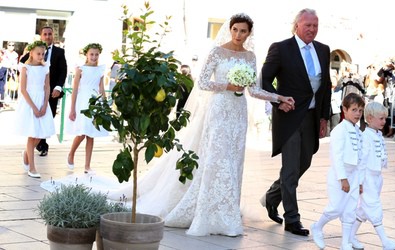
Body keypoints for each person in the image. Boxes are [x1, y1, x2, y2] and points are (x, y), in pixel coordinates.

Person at [41, 13, 294, 238]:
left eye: (243, 31)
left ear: (249, 34)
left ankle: (226, 215)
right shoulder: (217, 52)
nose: (238, 35)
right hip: (218, 112)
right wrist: (228, 86)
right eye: (235, 29)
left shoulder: (250, 56)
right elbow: (204, 82)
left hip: (237, 116)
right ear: (230, 30)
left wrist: (279, 97)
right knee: (214, 159)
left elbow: (254, 89)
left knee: (233, 162)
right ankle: (204, 214)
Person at [260, 8, 331, 236]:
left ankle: (271, 197)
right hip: (289, 118)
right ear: (297, 26)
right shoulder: (281, 48)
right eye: (308, 25)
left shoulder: (323, 50)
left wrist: (323, 117)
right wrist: (277, 100)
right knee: (290, 170)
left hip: (311, 117)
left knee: (304, 163)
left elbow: (326, 85)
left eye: (315, 25)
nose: (312, 29)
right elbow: (264, 82)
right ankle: (292, 219)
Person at [311, 93, 364, 250]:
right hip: (339, 175)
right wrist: (343, 178)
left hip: (354, 175)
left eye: (360, 110)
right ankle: (317, 226)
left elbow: (360, 160)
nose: (357, 114)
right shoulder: (339, 131)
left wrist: (359, 181)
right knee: (336, 207)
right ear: (344, 110)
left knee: (350, 210)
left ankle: (345, 243)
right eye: (354, 110)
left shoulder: (358, 131)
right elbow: (337, 157)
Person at [349, 101, 395, 250]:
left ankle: (349, 237)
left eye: (385, 119)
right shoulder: (366, 137)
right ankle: (385, 242)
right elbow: (362, 161)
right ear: (370, 118)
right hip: (367, 178)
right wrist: (360, 181)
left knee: (364, 209)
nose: (384, 122)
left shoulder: (377, 134)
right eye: (381, 118)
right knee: (373, 207)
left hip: (376, 177)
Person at [20, 26, 68, 157]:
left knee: (47, 118)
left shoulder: (59, 52)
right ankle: (41, 146)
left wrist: (58, 87)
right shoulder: (35, 51)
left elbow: (63, 70)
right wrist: (32, 51)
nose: (47, 36)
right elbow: (23, 61)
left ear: (53, 36)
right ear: (41, 36)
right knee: (37, 121)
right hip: (34, 93)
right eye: (45, 34)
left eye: (50, 34)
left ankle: (34, 147)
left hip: (51, 92)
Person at [66, 43, 108, 175]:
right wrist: (72, 109)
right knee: (82, 133)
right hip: (83, 102)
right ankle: (71, 154)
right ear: (86, 55)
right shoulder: (80, 69)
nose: (94, 57)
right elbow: (75, 89)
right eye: (91, 54)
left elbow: (101, 89)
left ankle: (87, 165)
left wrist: (105, 105)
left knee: (91, 134)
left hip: (95, 102)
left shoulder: (100, 70)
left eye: (96, 54)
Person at [15, 40, 55, 178]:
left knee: (40, 133)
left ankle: (26, 153)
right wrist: (34, 107)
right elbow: (23, 90)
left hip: (42, 100)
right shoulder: (26, 68)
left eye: (43, 54)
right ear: (31, 53)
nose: (41, 56)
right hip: (29, 102)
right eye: (38, 53)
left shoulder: (45, 67)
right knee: (32, 134)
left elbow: (47, 86)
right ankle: (32, 167)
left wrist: (44, 104)